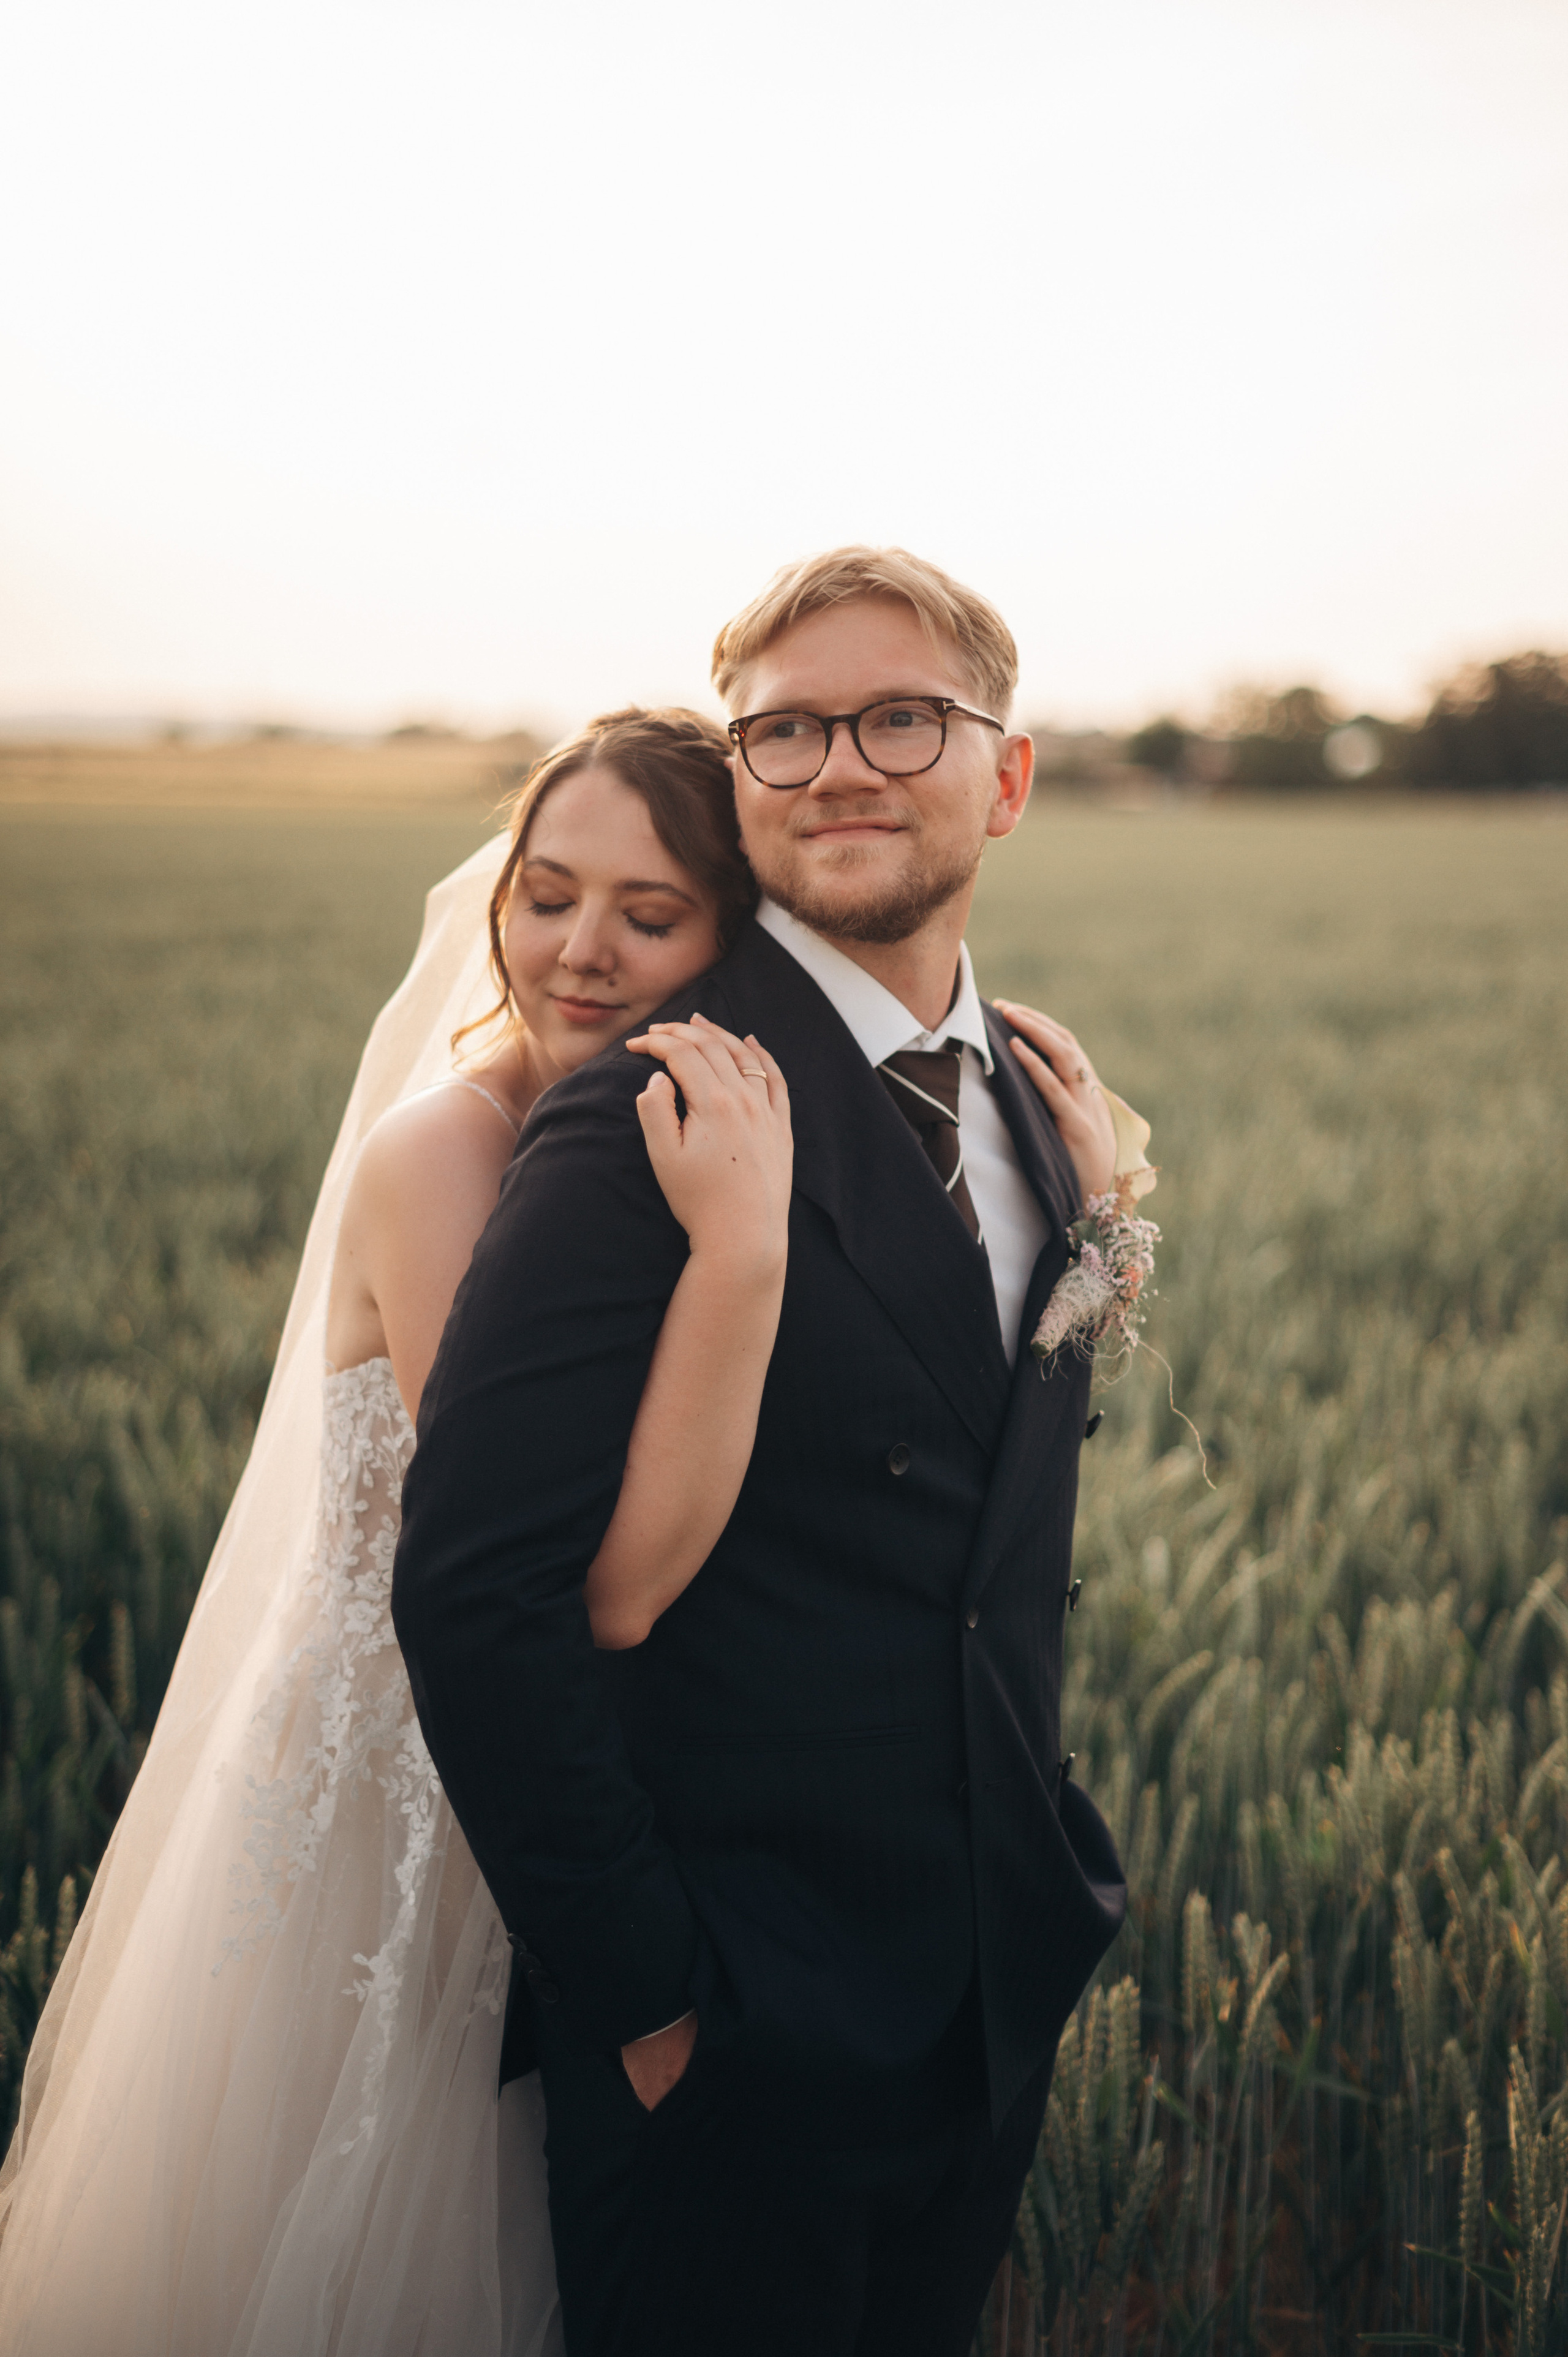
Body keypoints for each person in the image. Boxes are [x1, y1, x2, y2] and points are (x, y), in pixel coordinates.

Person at [392, 547, 1133, 2357]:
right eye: (785, 733)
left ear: (1006, 778)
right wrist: (650, 2007)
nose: (844, 768)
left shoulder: (1040, 1105)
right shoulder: (644, 1112)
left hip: (977, 1996)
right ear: (741, 783)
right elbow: (479, 1596)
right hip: (736, 2045)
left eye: (903, 719)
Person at [0, 708, 794, 2357]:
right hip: (403, 1777)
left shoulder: (687, 1133)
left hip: (556, 1760)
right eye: (548, 891)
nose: (579, 951)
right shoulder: (449, 1150)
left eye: (649, 917)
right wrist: (740, 1270)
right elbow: (566, 1567)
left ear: (737, 937)